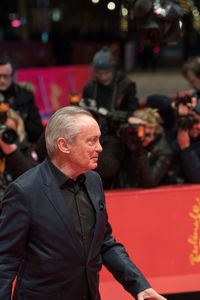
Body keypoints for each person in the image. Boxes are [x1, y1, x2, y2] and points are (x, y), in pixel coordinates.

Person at [0, 106, 167, 300]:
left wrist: (139, 285)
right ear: (64, 145)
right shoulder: (24, 191)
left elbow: (105, 242)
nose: (100, 147)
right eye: (92, 141)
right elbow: (5, 261)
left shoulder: (94, 181)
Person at [120, 108, 173, 188]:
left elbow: (150, 182)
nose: (143, 138)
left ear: (154, 130)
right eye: (140, 134)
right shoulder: (127, 139)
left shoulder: (164, 150)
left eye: (147, 135)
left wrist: (139, 151)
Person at [0, 104, 39, 212]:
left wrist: (12, 152)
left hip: (20, 208)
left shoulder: (26, 148)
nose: (3, 136)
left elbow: (33, 180)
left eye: (8, 131)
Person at [82, 46, 139, 113]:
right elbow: (84, 111)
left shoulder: (126, 86)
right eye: (99, 74)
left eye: (107, 73)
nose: (103, 77)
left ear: (113, 70)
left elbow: (133, 111)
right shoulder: (90, 88)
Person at [0, 55, 44, 143]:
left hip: (21, 147)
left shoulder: (25, 96)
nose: (2, 80)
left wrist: (19, 121)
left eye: (5, 76)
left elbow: (38, 131)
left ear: (12, 76)